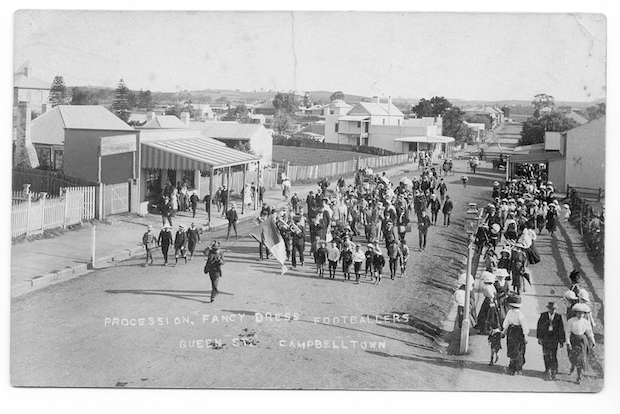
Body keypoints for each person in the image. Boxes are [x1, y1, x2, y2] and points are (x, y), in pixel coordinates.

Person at [565, 303, 596, 385]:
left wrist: (593, 341)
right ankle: (572, 366)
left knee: (581, 359)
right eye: (579, 313)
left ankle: (578, 377)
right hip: (573, 340)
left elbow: (589, 332)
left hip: (582, 341)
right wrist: (568, 342)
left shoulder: (585, 322)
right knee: (573, 357)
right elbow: (567, 332)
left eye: (582, 313)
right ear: (575, 313)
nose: (581, 315)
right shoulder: (571, 321)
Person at [536, 301, 565, 380]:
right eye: (551, 309)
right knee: (546, 353)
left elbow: (561, 329)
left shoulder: (558, 317)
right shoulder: (543, 316)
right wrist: (539, 338)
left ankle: (554, 369)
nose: (553, 311)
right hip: (546, 337)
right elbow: (539, 327)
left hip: (554, 338)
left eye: (554, 309)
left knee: (553, 354)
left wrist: (562, 340)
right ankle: (547, 368)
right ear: (548, 309)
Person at [503, 295, 528, 376]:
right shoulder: (509, 312)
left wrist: (525, 335)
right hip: (511, 331)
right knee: (511, 348)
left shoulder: (520, 314)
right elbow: (507, 321)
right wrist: (504, 331)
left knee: (518, 349)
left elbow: (524, 325)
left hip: (518, 332)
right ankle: (512, 366)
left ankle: (518, 367)